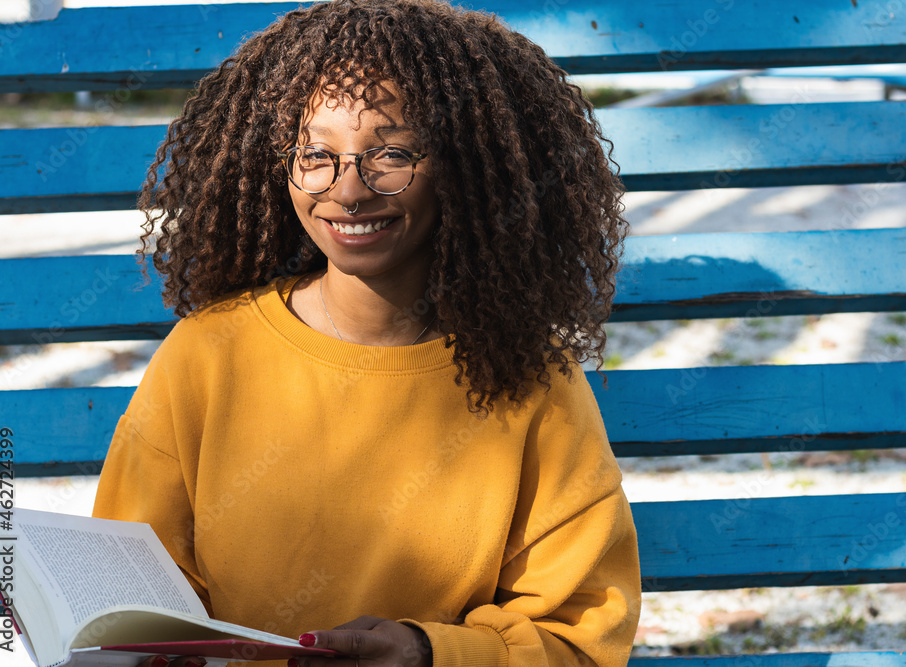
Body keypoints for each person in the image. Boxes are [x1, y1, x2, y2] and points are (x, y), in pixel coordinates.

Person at [92, 0, 640, 665]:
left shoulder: (531, 378)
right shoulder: (206, 355)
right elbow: (127, 592)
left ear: (464, 167)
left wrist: (428, 652)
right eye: (317, 154)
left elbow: (577, 635)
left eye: (392, 154)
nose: (348, 191)